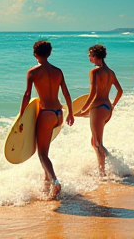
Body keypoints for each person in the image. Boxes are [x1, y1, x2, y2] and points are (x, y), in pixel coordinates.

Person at [19, 40, 74, 199]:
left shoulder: (33, 72)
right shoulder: (58, 71)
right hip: (58, 113)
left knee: (42, 154)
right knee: (46, 152)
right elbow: (66, 93)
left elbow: (27, 95)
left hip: (46, 114)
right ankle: (47, 187)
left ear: (35, 53)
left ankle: (55, 181)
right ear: (49, 53)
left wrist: (21, 117)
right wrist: (70, 113)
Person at [76, 44, 123, 178]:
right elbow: (120, 91)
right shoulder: (110, 72)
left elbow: (92, 94)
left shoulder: (94, 72)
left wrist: (83, 110)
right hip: (107, 108)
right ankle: (113, 164)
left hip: (97, 108)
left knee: (97, 143)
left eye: (90, 55)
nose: (89, 58)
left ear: (95, 56)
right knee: (94, 141)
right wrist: (113, 105)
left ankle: (102, 173)